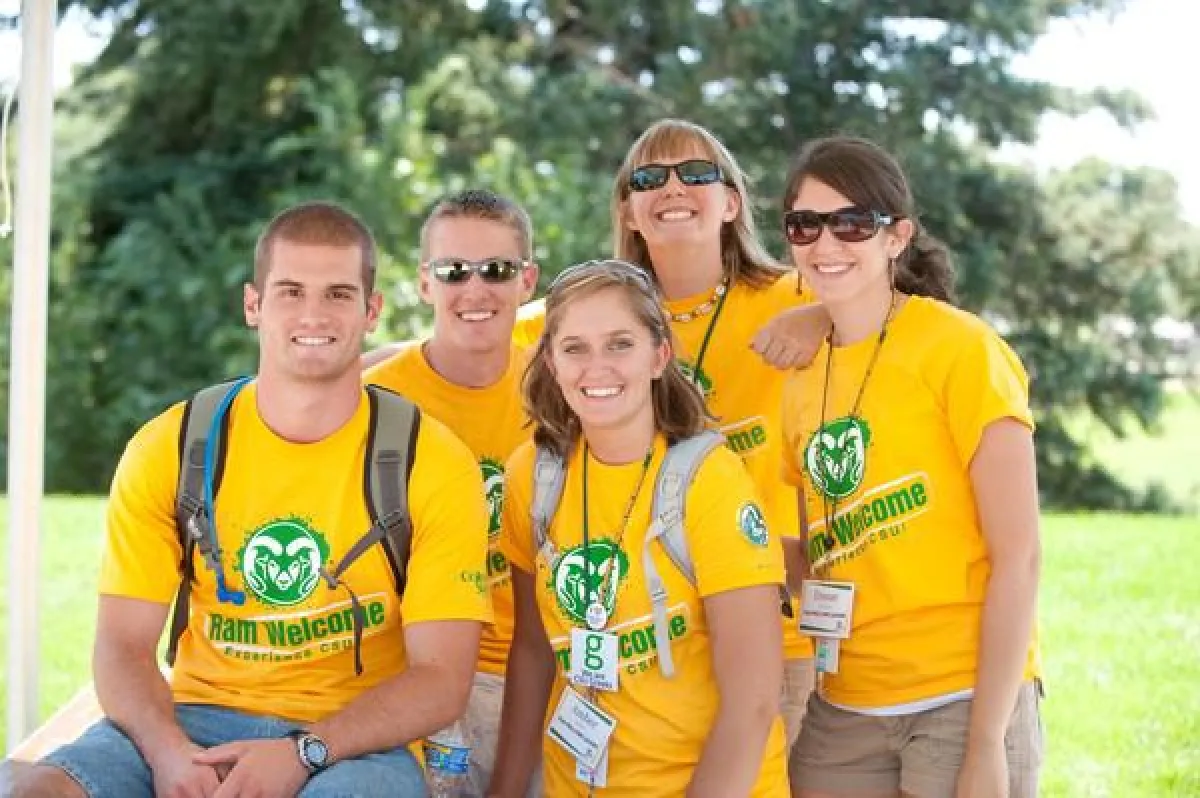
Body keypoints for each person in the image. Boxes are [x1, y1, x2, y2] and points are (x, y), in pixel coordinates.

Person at [17, 201, 491, 798]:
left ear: (372, 311)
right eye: (290, 291)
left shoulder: (431, 459)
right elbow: (122, 646)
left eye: (338, 294)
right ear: (253, 305)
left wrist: (303, 752)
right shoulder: (173, 446)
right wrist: (169, 753)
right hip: (193, 721)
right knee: (34, 788)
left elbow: (441, 678)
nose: (313, 313)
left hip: (350, 744)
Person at [511, 118, 828, 747]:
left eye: (697, 173)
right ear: (628, 209)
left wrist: (825, 311)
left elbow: (901, 307)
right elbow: (459, 333)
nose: (673, 187)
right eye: (649, 178)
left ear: (732, 201)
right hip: (640, 641)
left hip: (779, 632)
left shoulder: (799, 295)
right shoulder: (600, 314)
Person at [777, 135, 1043, 798]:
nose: (826, 243)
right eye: (806, 224)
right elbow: (828, 549)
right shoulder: (802, 375)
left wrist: (986, 742)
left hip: (961, 693)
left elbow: (1021, 557)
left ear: (896, 237)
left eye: (852, 223)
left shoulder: (961, 349)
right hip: (845, 705)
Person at [490, 259, 789, 797]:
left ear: (659, 356)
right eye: (574, 347)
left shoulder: (708, 481)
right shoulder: (533, 477)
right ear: (552, 364)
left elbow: (755, 701)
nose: (596, 366)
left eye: (620, 344)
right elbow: (534, 650)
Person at [364, 189, 539, 795]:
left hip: (539, 676)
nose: (475, 289)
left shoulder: (564, 386)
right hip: (409, 675)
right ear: (424, 284)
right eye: (453, 271)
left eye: (496, 270)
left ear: (527, 280)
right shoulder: (374, 401)